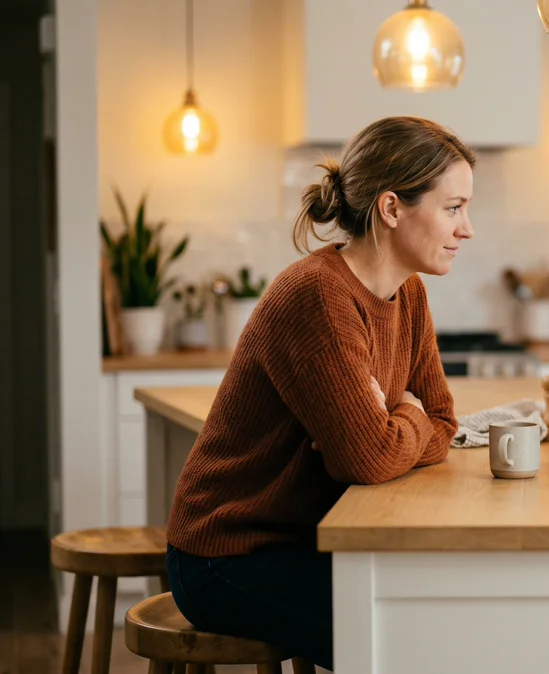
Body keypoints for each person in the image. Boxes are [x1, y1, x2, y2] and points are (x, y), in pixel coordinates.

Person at [164, 116, 475, 669]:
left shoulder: (410, 295)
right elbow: (368, 458)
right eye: (453, 208)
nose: (466, 228)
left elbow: (445, 422)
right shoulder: (319, 297)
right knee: (405, 631)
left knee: (437, 608)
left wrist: (397, 420)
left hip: (307, 540)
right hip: (230, 554)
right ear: (391, 208)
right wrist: (403, 422)